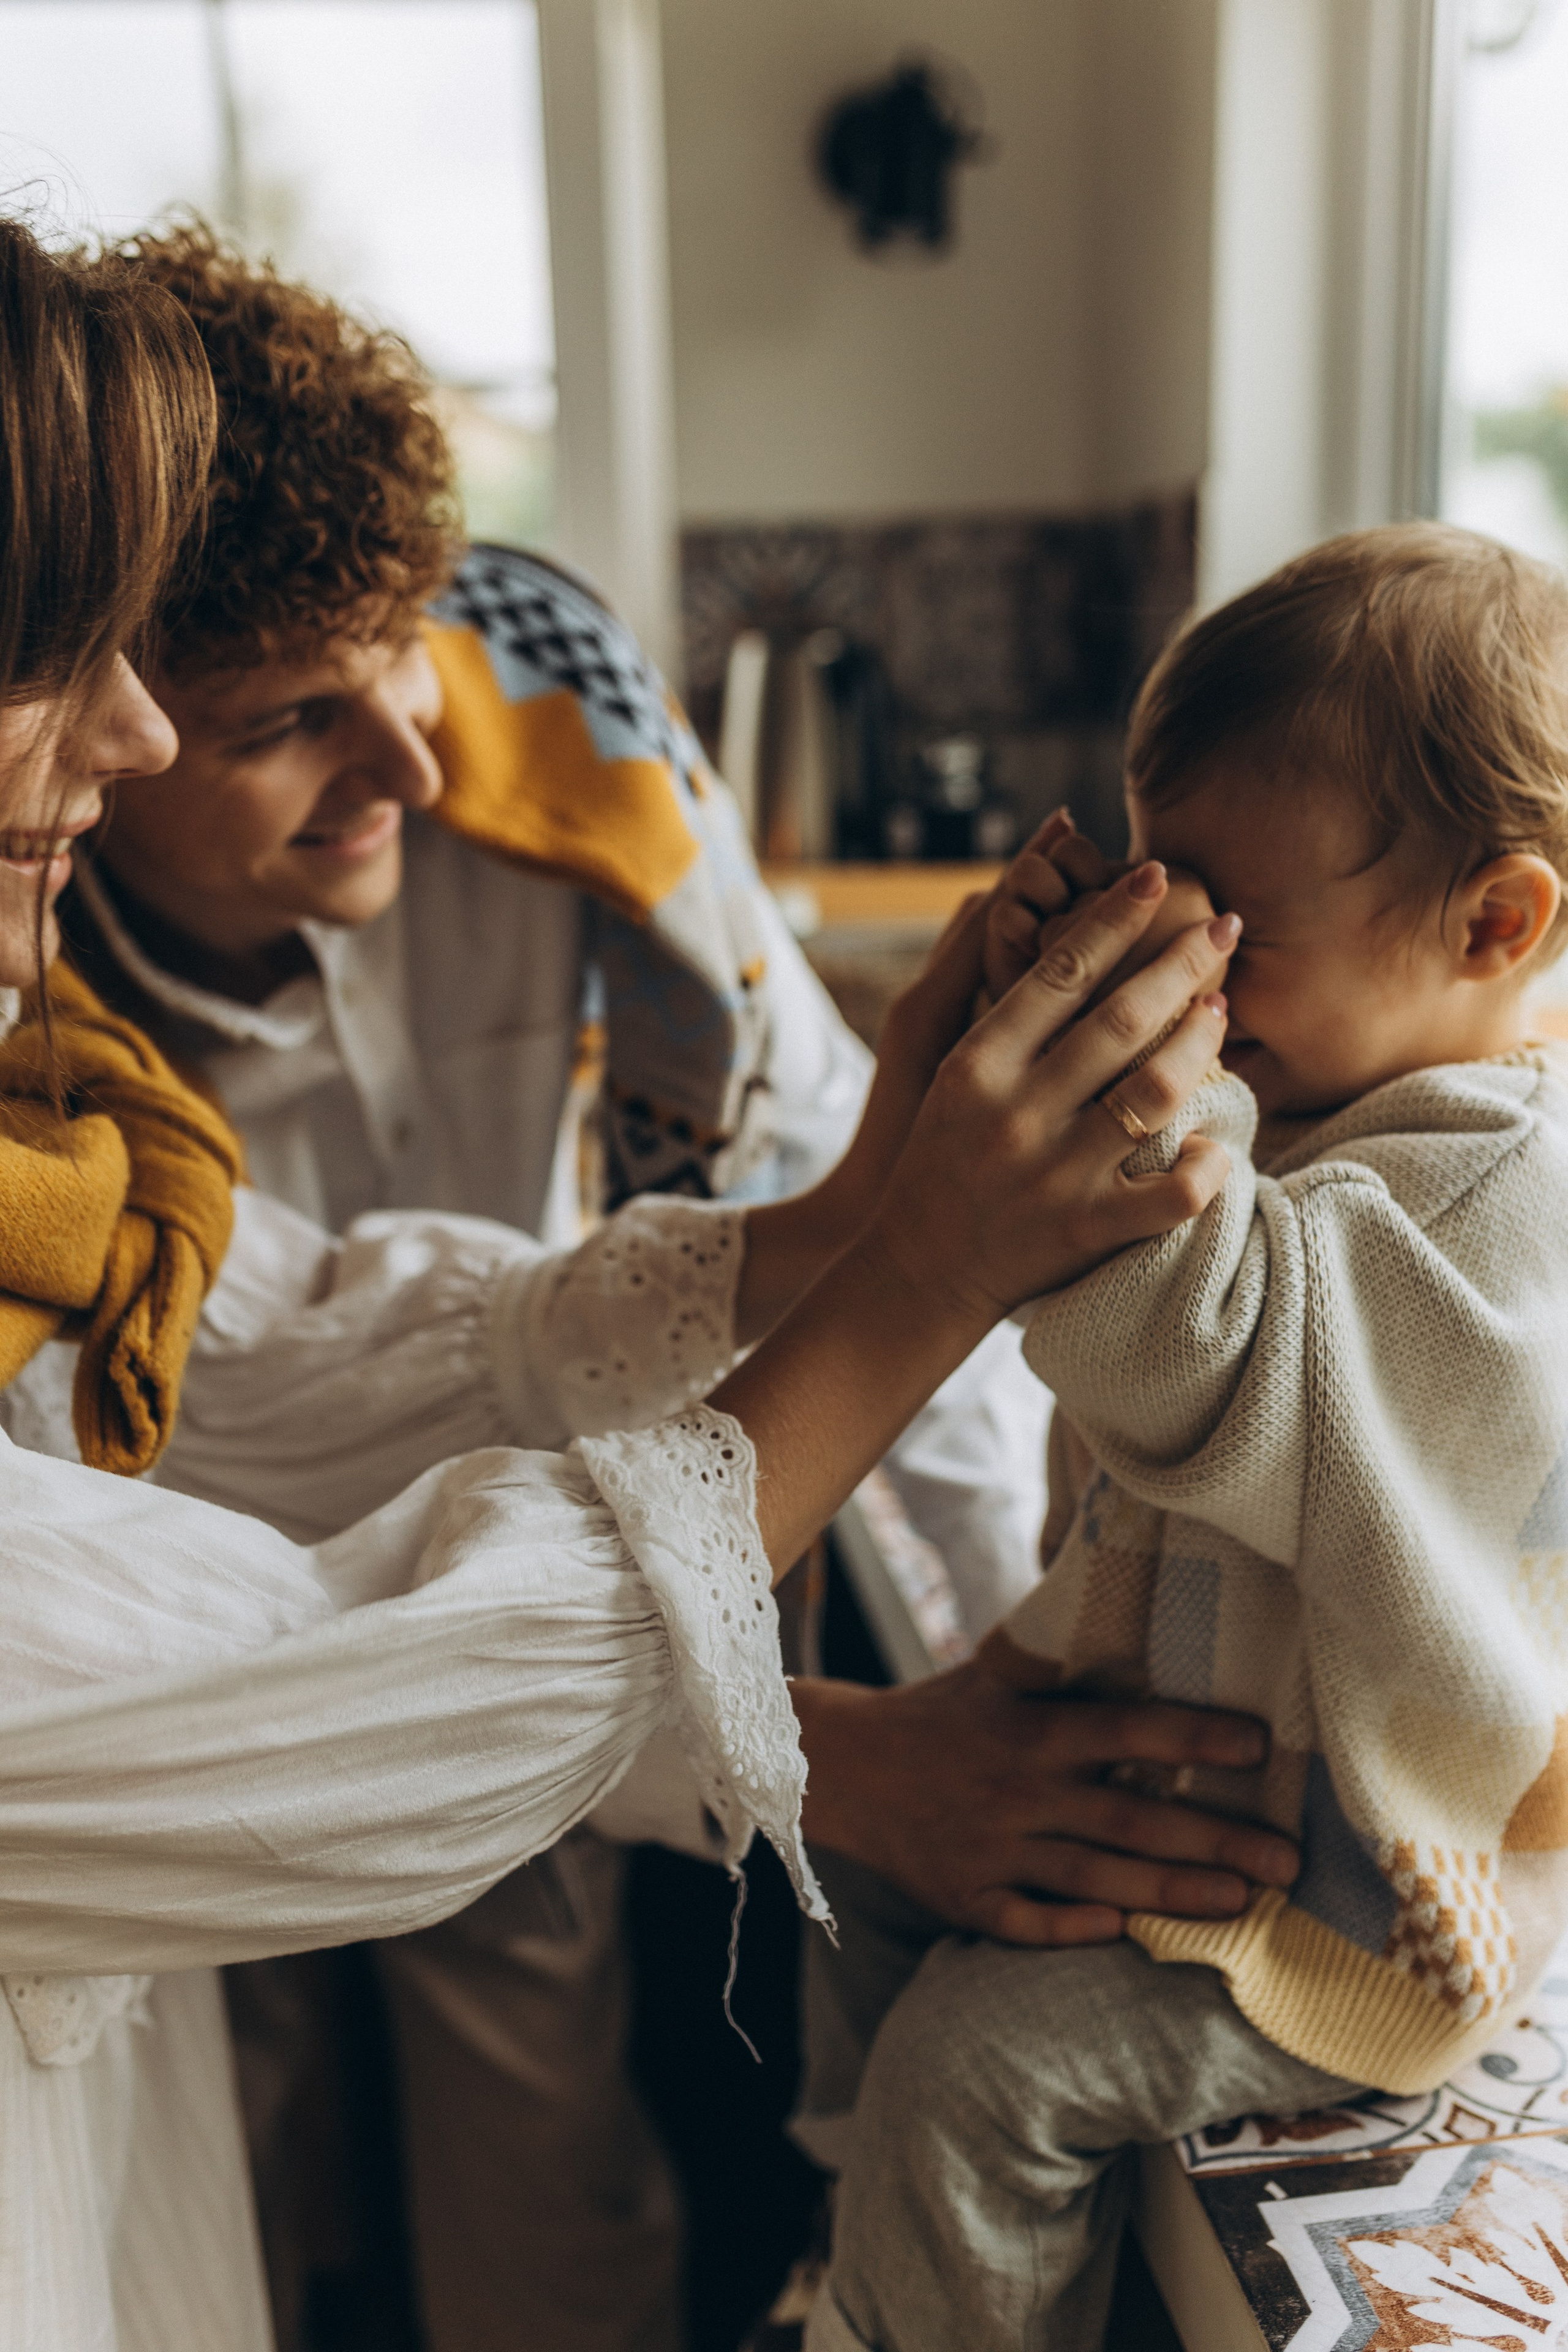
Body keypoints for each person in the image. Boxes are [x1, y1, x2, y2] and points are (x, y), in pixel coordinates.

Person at [0, 212, 1244, 2352]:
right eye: (277, 717)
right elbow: (314, 1673)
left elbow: (345, 1343)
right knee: (278, 2094)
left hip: (536, 1633)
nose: (414, 757)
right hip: (419, 1698)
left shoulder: (69, 1131)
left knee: (530, 2095)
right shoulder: (68, 983)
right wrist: (925, 1270)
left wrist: (861, 1224)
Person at [802, 522, 1568, 2352]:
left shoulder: (1490, 1194)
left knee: (975, 2073)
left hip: (1344, 1905)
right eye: (1163, 907)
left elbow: (1197, 1347)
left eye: (1233, 935)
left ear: (1498, 923)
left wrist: (1104, 1062)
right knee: (855, 1896)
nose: (1189, 986)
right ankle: (877, 2269)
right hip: (1200, 1799)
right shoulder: (1351, 1105)